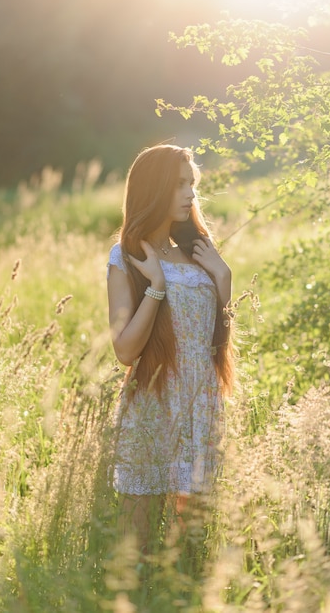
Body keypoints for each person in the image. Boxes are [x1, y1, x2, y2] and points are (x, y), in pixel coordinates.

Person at [107, 144, 234, 554]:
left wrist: (223, 281)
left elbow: (213, 342)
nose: (190, 194)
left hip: (201, 401)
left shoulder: (199, 253)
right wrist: (157, 288)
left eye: (192, 184)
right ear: (155, 186)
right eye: (180, 184)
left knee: (189, 546)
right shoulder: (127, 255)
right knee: (138, 545)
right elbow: (125, 350)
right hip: (155, 400)